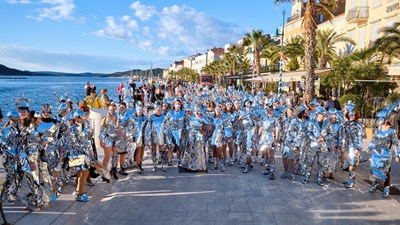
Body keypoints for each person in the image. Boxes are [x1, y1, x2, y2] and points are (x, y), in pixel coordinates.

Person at [368, 103, 400, 198]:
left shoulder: (391, 130)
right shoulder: (377, 128)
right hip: (376, 152)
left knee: (385, 172)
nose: (379, 121)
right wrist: (370, 147)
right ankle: (374, 184)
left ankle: (386, 188)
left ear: (386, 120)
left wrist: (397, 155)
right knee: (373, 169)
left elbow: (395, 143)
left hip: (386, 153)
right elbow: (374, 139)